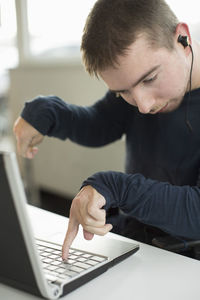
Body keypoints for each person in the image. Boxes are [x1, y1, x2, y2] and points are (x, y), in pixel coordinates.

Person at [13, 0, 200, 260]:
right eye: (122, 92)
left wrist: (114, 187)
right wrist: (48, 112)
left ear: (183, 38)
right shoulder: (136, 90)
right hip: (139, 242)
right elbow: (99, 125)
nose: (143, 106)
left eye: (149, 79)